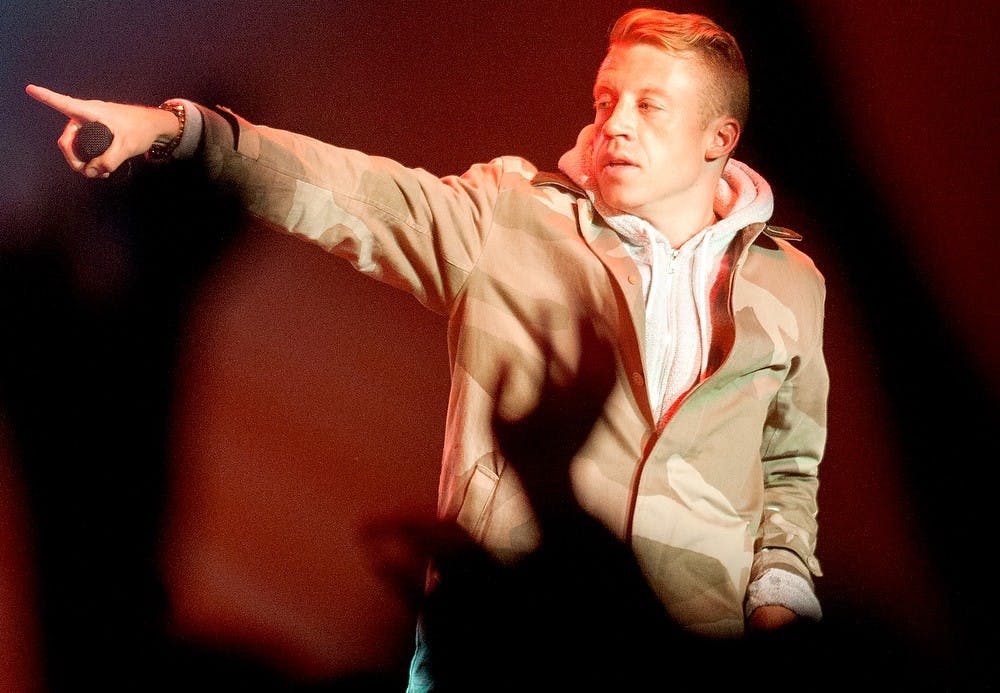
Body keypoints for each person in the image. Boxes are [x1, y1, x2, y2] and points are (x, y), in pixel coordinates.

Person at [27, 6, 828, 690]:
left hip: (692, 658)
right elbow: (352, 195)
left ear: (719, 137)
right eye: (605, 97)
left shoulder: (788, 282)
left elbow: (790, 467)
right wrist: (177, 133)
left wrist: (782, 605)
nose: (614, 121)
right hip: (504, 648)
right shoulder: (511, 217)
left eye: (650, 106)